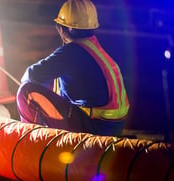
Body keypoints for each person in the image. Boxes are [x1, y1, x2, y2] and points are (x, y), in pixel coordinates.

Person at [16, 0, 129, 136]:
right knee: (52, 83)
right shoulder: (94, 49)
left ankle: (32, 142)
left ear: (62, 29)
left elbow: (31, 75)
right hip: (110, 127)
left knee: (26, 91)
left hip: (94, 127)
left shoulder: (72, 52)